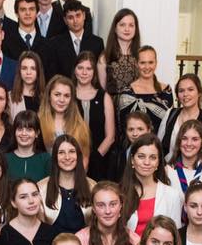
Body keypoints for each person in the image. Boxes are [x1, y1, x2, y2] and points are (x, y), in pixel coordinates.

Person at [120, 134, 183, 234]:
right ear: (132, 159)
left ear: (158, 162)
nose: (147, 162)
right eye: (141, 156)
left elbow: (176, 234)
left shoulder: (172, 195)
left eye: (153, 157)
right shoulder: (119, 193)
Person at [158, 73, 202, 163]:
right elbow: (158, 146)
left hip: (194, 174)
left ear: (199, 93)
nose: (185, 94)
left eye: (190, 90)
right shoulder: (170, 114)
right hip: (168, 172)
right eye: (181, 91)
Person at [39, 134, 94, 234]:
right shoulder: (41, 188)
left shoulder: (93, 187)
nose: (67, 157)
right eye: (61, 153)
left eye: (72, 152)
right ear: (55, 157)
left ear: (78, 155)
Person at [73, 51, 115, 180]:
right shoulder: (68, 95)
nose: (84, 73)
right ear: (74, 70)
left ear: (94, 72)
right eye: (80, 68)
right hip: (71, 159)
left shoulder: (104, 97)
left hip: (99, 160)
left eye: (89, 68)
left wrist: (94, 157)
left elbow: (110, 136)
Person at [117, 46, 174, 135]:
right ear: (136, 64)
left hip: (160, 147)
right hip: (135, 146)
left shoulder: (166, 91)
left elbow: (170, 124)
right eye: (143, 63)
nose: (147, 67)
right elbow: (123, 129)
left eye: (150, 62)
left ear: (156, 63)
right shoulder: (127, 93)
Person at [46, 0, 103, 80]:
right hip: (64, 89)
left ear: (84, 16)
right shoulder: (55, 43)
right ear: (65, 20)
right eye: (70, 17)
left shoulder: (97, 43)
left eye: (78, 15)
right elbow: (53, 74)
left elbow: (99, 73)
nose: (75, 21)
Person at [38, 75, 91, 162]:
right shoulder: (38, 123)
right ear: (49, 96)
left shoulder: (80, 125)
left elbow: (84, 159)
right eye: (57, 94)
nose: (62, 100)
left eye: (66, 96)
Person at [97, 8, 140, 97]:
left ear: (136, 29)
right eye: (122, 25)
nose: (127, 29)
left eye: (131, 25)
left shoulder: (141, 55)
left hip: (137, 108)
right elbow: (102, 92)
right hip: (112, 108)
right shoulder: (105, 57)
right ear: (115, 29)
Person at [2, 0, 50, 66]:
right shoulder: (6, 43)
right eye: (23, 10)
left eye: (31, 9)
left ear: (37, 13)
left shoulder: (47, 45)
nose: (28, 13)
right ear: (16, 13)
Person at [167, 120, 202, 196]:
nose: (189, 143)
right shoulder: (167, 171)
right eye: (184, 138)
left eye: (195, 139)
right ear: (179, 141)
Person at [106, 110, 152, 183]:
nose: (135, 134)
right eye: (131, 129)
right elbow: (111, 183)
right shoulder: (118, 154)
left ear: (148, 130)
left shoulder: (156, 154)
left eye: (140, 129)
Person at [6, 110, 51, 181]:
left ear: (37, 133)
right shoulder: (5, 159)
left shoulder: (46, 159)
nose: (24, 133)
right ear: (14, 132)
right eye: (20, 129)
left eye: (29, 130)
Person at [9, 51, 46, 117]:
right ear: (19, 71)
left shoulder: (46, 98)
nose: (28, 72)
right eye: (24, 68)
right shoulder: (9, 97)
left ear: (38, 71)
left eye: (33, 68)